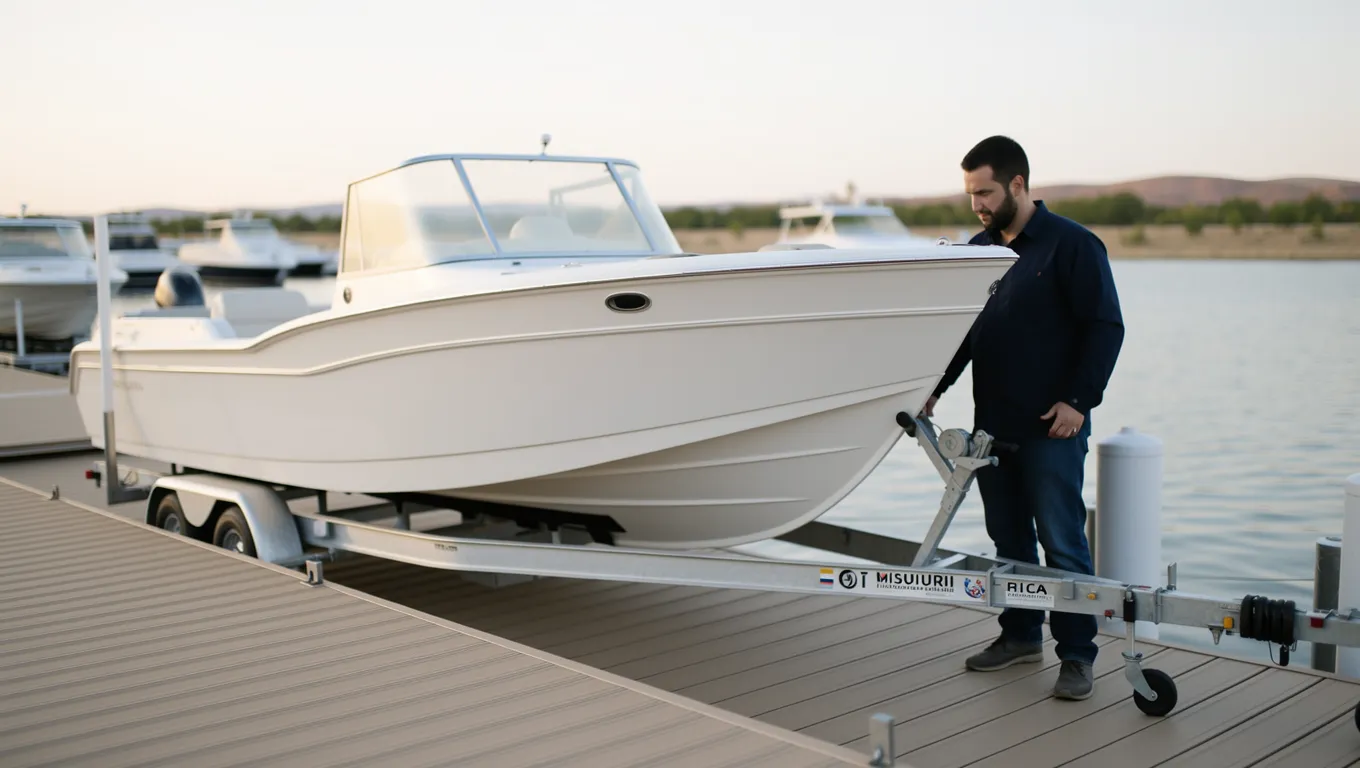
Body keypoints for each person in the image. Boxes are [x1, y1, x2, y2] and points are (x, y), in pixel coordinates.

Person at [924, 135, 1125, 701]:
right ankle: (1019, 636)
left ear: (1017, 183)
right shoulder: (980, 249)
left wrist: (1078, 401)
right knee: (1007, 540)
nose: (977, 205)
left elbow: (1106, 328)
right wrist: (934, 389)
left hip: (1051, 428)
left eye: (984, 192)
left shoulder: (1074, 246)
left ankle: (1078, 656)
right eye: (970, 195)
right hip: (992, 426)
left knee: (1061, 543)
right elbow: (967, 332)